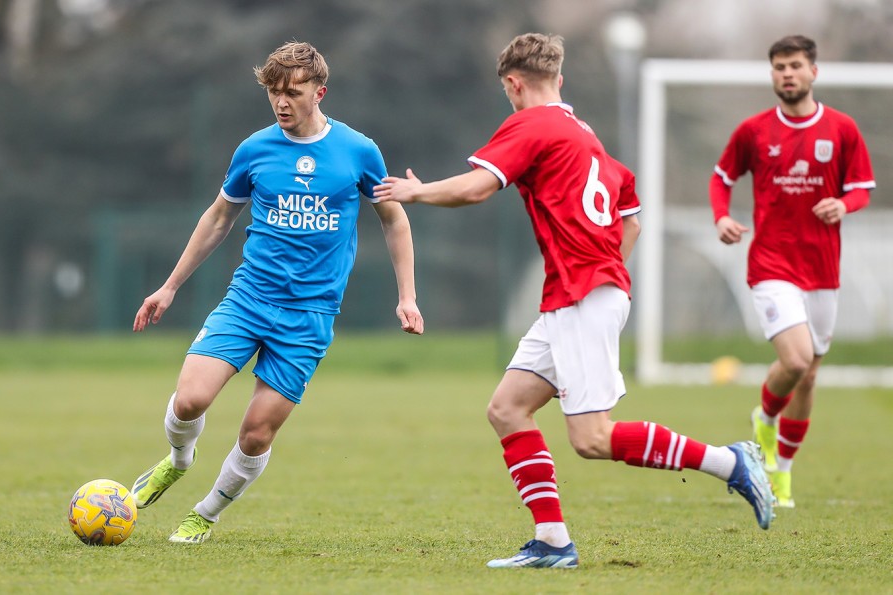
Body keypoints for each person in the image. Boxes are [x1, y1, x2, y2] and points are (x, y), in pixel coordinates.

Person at [374, 32, 774, 570]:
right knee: (508, 409)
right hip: (580, 292)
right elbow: (630, 213)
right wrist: (605, 270)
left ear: (513, 84)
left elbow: (476, 187)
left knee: (592, 437)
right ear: (559, 80)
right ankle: (554, 542)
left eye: (508, 91)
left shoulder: (532, 124)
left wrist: (414, 191)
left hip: (583, 295)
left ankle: (731, 463)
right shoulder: (583, 133)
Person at [130, 41, 424, 544]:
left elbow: (394, 220)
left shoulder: (358, 151)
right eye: (273, 92)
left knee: (256, 432)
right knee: (189, 400)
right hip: (248, 299)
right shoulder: (255, 149)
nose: (282, 102)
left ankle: (205, 513)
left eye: (293, 92)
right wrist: (170, 286)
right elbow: (219, 217)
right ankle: (178, 461)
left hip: (309, 315)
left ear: (320, 91)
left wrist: (407, 296)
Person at [710, 35, 874, 509]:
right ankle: (764, 415)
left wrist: (843, 204)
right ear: (772, 73)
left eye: (795, 65)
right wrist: (721, 216)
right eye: (779, 66)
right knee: (797, 359)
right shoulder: (754, 131)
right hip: (771, 263)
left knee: (809, 376)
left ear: (813, 72)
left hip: (822, 268)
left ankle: (782, 469)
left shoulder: (841, 129)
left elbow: (862, 188)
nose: (787, 73)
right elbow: (722, 177)